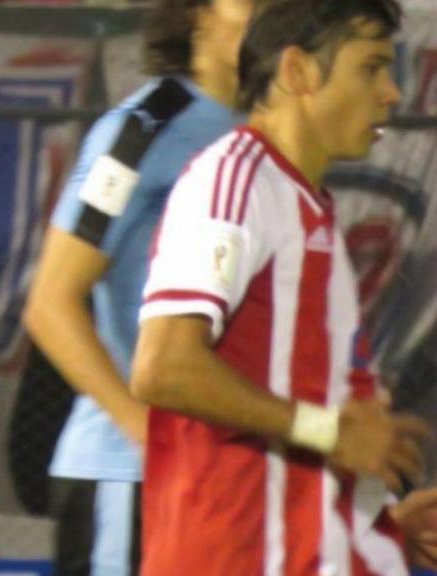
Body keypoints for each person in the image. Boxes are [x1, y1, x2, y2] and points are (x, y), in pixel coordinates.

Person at [131, 0, 437, 573]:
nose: (392, 93)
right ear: (298, 71)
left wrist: (381, 525)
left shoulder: (307, 207)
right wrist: (329, 431)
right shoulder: (235, 179)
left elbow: (316, 424)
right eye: (370, 67)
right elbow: (162, 366)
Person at [22, 1, 252, 573]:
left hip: (230, 480)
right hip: (132, 479)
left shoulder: (270, 135)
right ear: (199, 15)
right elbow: (51, 302)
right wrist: (145, 430)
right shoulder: (143, 129)